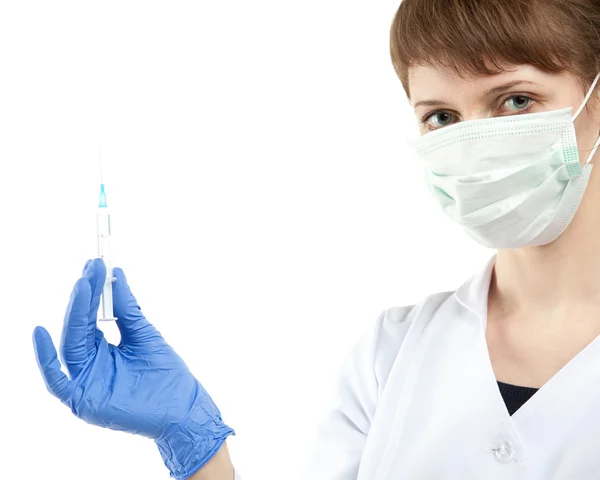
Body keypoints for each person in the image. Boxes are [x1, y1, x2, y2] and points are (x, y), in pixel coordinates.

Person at [32, 0, 600, 478]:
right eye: (442, 117)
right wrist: (196, 441)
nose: (473, 143)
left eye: (515, 101)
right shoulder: (392, 354)